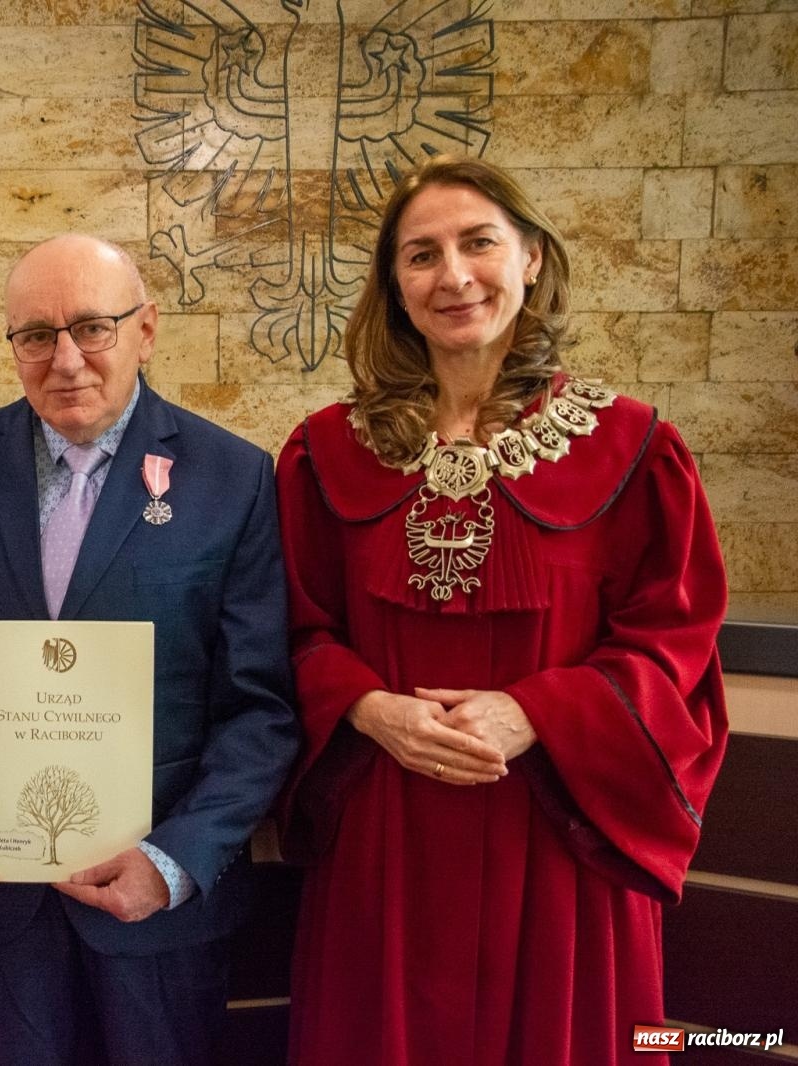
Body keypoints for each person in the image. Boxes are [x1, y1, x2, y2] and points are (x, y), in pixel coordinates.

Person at [276, 155, 728, 1065]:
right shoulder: (323, 453)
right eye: (420, 255)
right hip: (385, 835)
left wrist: (537, 712)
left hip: (562, 835)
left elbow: (675, 648)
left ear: (530, 260)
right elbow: (290, 630)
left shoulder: (637, 449)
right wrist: (371, 708)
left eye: (478, 243)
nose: (453, 276)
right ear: (393, 288)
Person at [0, 234, 300, 1066]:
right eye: (36, 336)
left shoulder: (233, 477)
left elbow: (260, 710)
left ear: (146, 330)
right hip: (5, 898)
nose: (66, 359)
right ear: (11, 346)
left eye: (93, 327)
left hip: (159, 904)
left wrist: (173, 861)